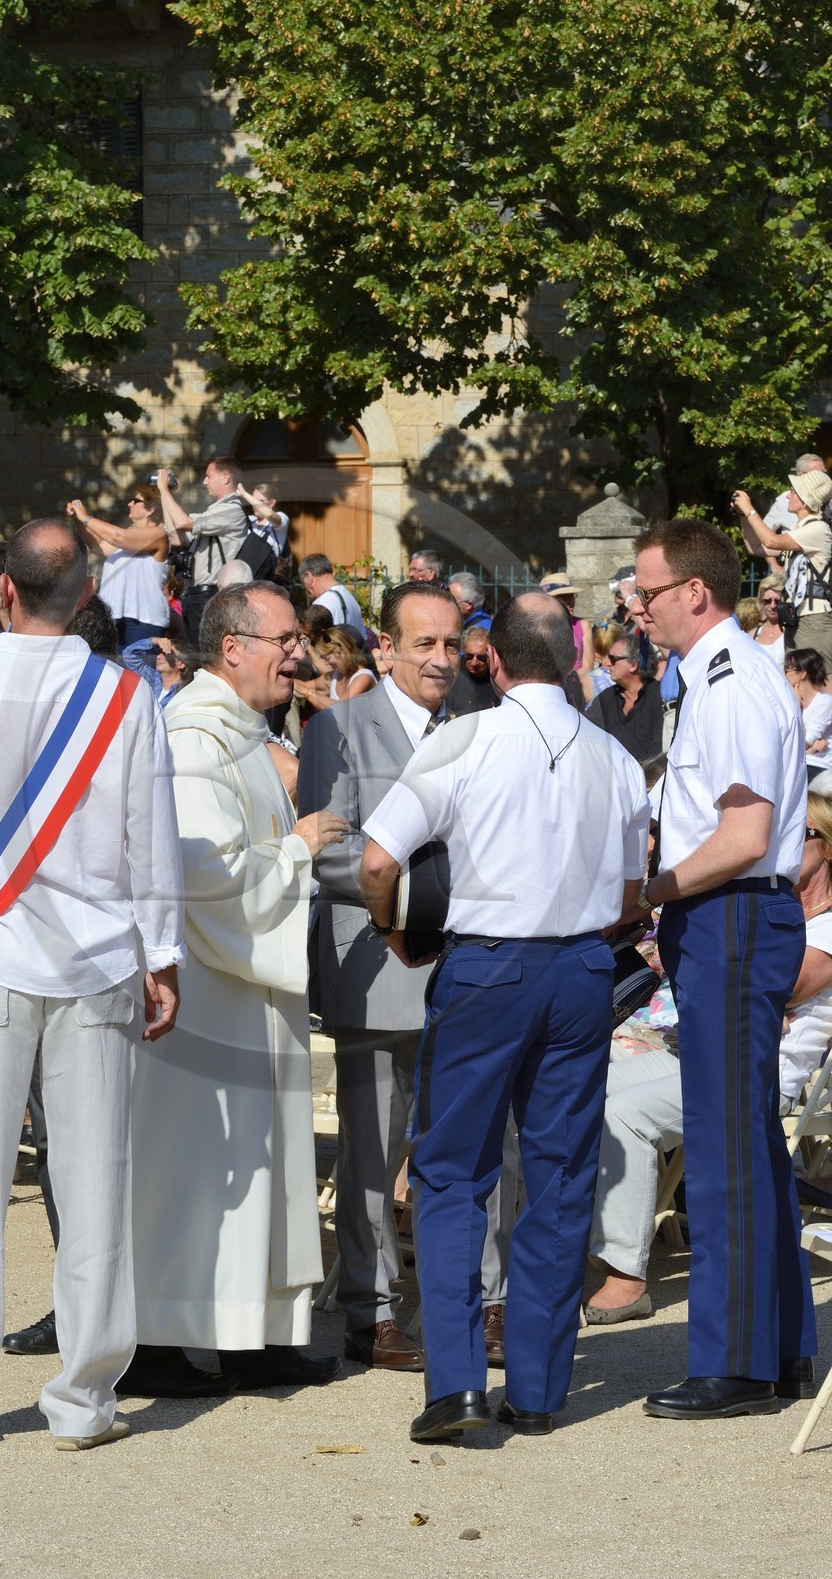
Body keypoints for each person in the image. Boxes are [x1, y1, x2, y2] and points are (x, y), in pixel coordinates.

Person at [0, 517, 184, 1454]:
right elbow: (151, 834)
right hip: (97, 958)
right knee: (95, 1185)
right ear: (87, 594)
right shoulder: (127, 694)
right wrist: (162, 953)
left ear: (3, 591)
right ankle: (84, 1401)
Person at [360, 592, 649, 1441]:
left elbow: (377, 861)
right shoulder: (614, 755)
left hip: (488, 965)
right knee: (559, 1176)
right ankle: (539, 1388)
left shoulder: (466, 737)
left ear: (493, 660)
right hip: (581, 968)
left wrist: (396, 933)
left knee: (453, 1173)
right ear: (572, 659)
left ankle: (456, 1385)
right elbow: (630, 895)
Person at [129, 582, 347, 1391]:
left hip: (251, 991)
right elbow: (203, 876)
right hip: (207, 999)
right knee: (195, 1166)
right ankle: (156, 1342)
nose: (300, 654)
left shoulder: (242, 732)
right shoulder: (194, 738)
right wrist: (298, 847)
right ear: (233, 648)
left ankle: (258, 1335)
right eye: (285, 639)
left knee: (266, 1163)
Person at [298, 581, 517, 1372]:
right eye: (423, 643)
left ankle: (488, 1302)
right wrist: (419, 892)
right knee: (372, 1148)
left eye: (452, 643)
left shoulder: (483, 724)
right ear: (384, 647)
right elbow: (326, 851)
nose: (440, 658)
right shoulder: (339, 727)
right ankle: (373, 1309)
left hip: (471, 965)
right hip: (376, 963)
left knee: (487, 1141)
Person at [631, 517, 817, 1420]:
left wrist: (651, 892)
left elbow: (743, 836)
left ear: (694, 592)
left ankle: (734, 1361)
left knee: (724, 1140)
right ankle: (776, 1345)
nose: (637, 609)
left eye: (647, 593)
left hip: (734, 915)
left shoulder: (731, 678)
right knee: (741, 1135)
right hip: (727, 917)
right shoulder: (717, 674)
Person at [586, 782, 832, 1324]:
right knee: (579, 1089)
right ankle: (580, 1243)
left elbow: (776, 989)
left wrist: (741, 985)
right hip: (697, 1046)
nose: (785, 841)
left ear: (827, 845)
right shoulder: (773, 911)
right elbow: (737, 987)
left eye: (800, 832)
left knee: (621, 1115)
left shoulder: (826, 925)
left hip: (758, 1071)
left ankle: (626, 1278)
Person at [734, 469, 832, 672]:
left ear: (806, 500)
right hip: (795, 619)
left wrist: (750, 509)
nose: (788, 495)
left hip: (814, 619)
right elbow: (755, 547)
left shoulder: (818, 529)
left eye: (794, 491)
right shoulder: (799, 531)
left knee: (821, 682)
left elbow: (771, 541)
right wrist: (743, 515)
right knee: (795, 680)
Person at [154, 458, 249, 644]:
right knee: (196, 654)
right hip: (194, 594)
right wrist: (164, 493)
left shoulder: (232, 510)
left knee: (206, 653)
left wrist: (164, 489)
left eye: (208, 476)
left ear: (225, 478)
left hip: (210, 595)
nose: (205, 482)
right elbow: (176, 536)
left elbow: (182, 522)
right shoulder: (214, 512)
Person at [67, 489, 171, 649]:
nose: (130, 504)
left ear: (150, 509)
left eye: (136, 501)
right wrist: (78, 520)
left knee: (137, 665)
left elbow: (117, 537)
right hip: (113, 619)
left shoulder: (159, 534)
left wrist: (86, 518)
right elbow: (99, 547)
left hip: (142, 622)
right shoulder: (126, 537)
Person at [585, 633, 664, 762]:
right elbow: (587, 737)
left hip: (647, 772)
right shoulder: (605, 699)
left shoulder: (659, 697)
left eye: (613, 658)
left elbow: (659, 751)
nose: (608, 663)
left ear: (633, 665)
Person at [784, 646, 832, 780]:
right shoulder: (785, 700)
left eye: (788, 669)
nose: (784, 673)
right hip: (793, 762)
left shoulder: (825, 702)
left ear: (802, 674)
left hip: (816, 765)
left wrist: (797, 707)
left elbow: (803, 743)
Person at [297, 554, 366, 641]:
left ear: (308, 576)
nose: (306, 590)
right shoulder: (350, 597)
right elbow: (363, 636)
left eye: (303, 584)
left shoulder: (321, 605)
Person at [309, 625, 376, 702]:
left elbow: (341, 707)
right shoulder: (335, 676)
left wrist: (308, 693)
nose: (326, 663)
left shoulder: (364, 677)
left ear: (341, 652)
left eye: (327, 658)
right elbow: (303, 686)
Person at [446, 625, 498, 715]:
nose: (474, 663)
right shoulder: (453, 675)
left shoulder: (498, 676)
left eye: (481, 657)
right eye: (469, 656)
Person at [750, 573, 786, 666]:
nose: (772, 606)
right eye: (767, 601)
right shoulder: (752, 635)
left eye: (777, 601)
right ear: (761, 602)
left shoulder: (791, 634)